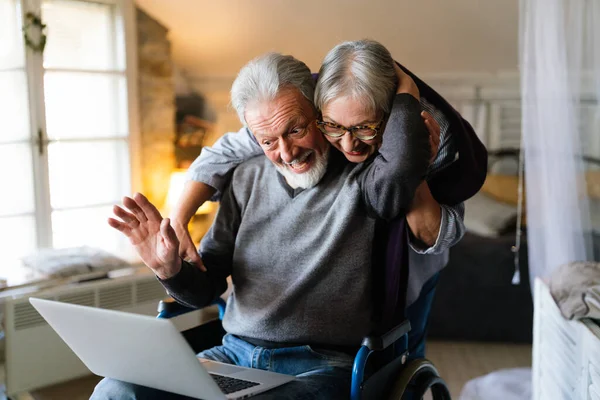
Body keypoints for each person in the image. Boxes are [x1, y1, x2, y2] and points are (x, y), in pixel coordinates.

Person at [92, 51, 433, 399]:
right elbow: (205, 287)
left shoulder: (365, 177)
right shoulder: (244, 178)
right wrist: (169, 269)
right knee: (115, 390)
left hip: (322, 365)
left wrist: (406, 87)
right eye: (268, 141)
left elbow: (405, 161)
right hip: (233, 356)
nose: (286, 153)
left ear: (319, 113)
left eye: (296, 130)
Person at [170, 40, 486, 359]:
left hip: (414, 269)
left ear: (391, 118)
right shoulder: (294, 112)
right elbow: (222, 154)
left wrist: (412, 156)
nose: (348, 143)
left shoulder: (426, 134)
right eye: (333, 127)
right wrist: (177, 220)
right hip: (251, 341)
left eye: (364, 128)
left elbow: (441, 231)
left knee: (403, 349)